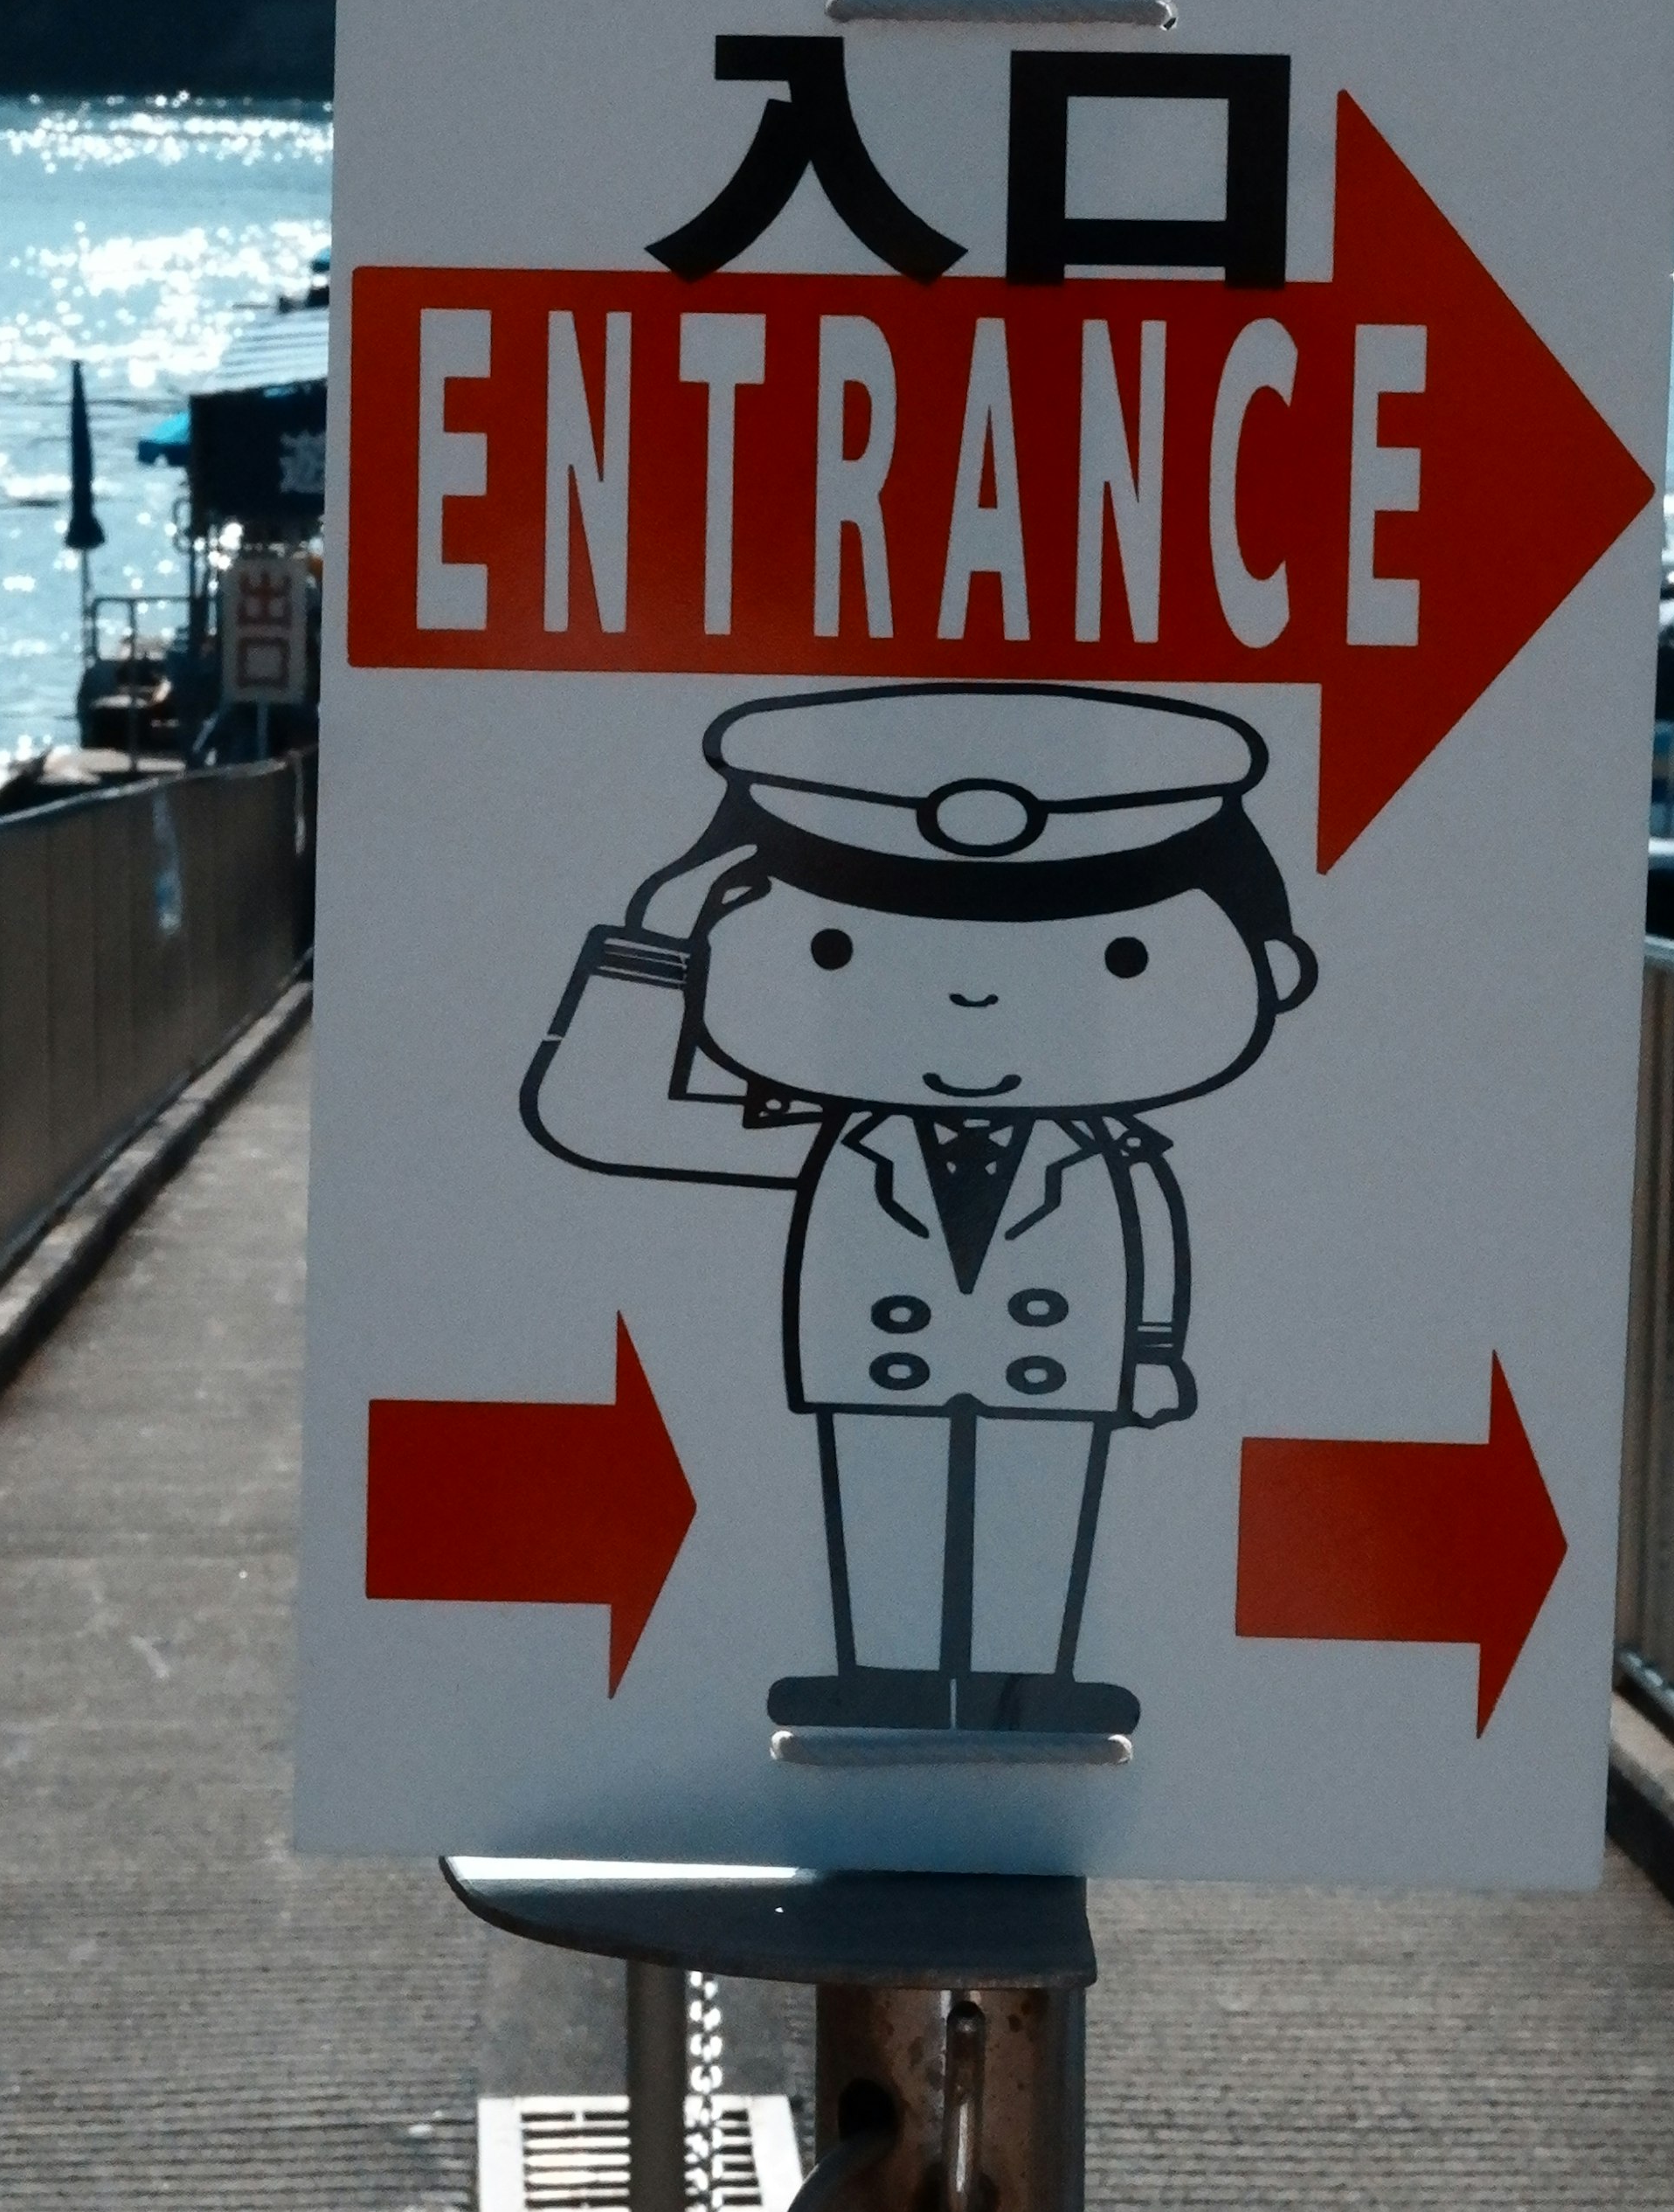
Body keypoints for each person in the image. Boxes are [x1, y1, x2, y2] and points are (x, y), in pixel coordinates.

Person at [522, 680, 1317, 1739]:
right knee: (883, 1511)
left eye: (1115, 958)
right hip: (874, 1360)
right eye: (836, 949)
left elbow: (1156, 1242)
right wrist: (660, 941)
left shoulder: (1108, 1156)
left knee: (1041, 1517)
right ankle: (885, 1676)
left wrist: (1157, 1348)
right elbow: (600, 1115)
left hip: (1060, 1361)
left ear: (1270, 972)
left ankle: (1035, 1686)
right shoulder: (833, 1137)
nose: (972, 1003)